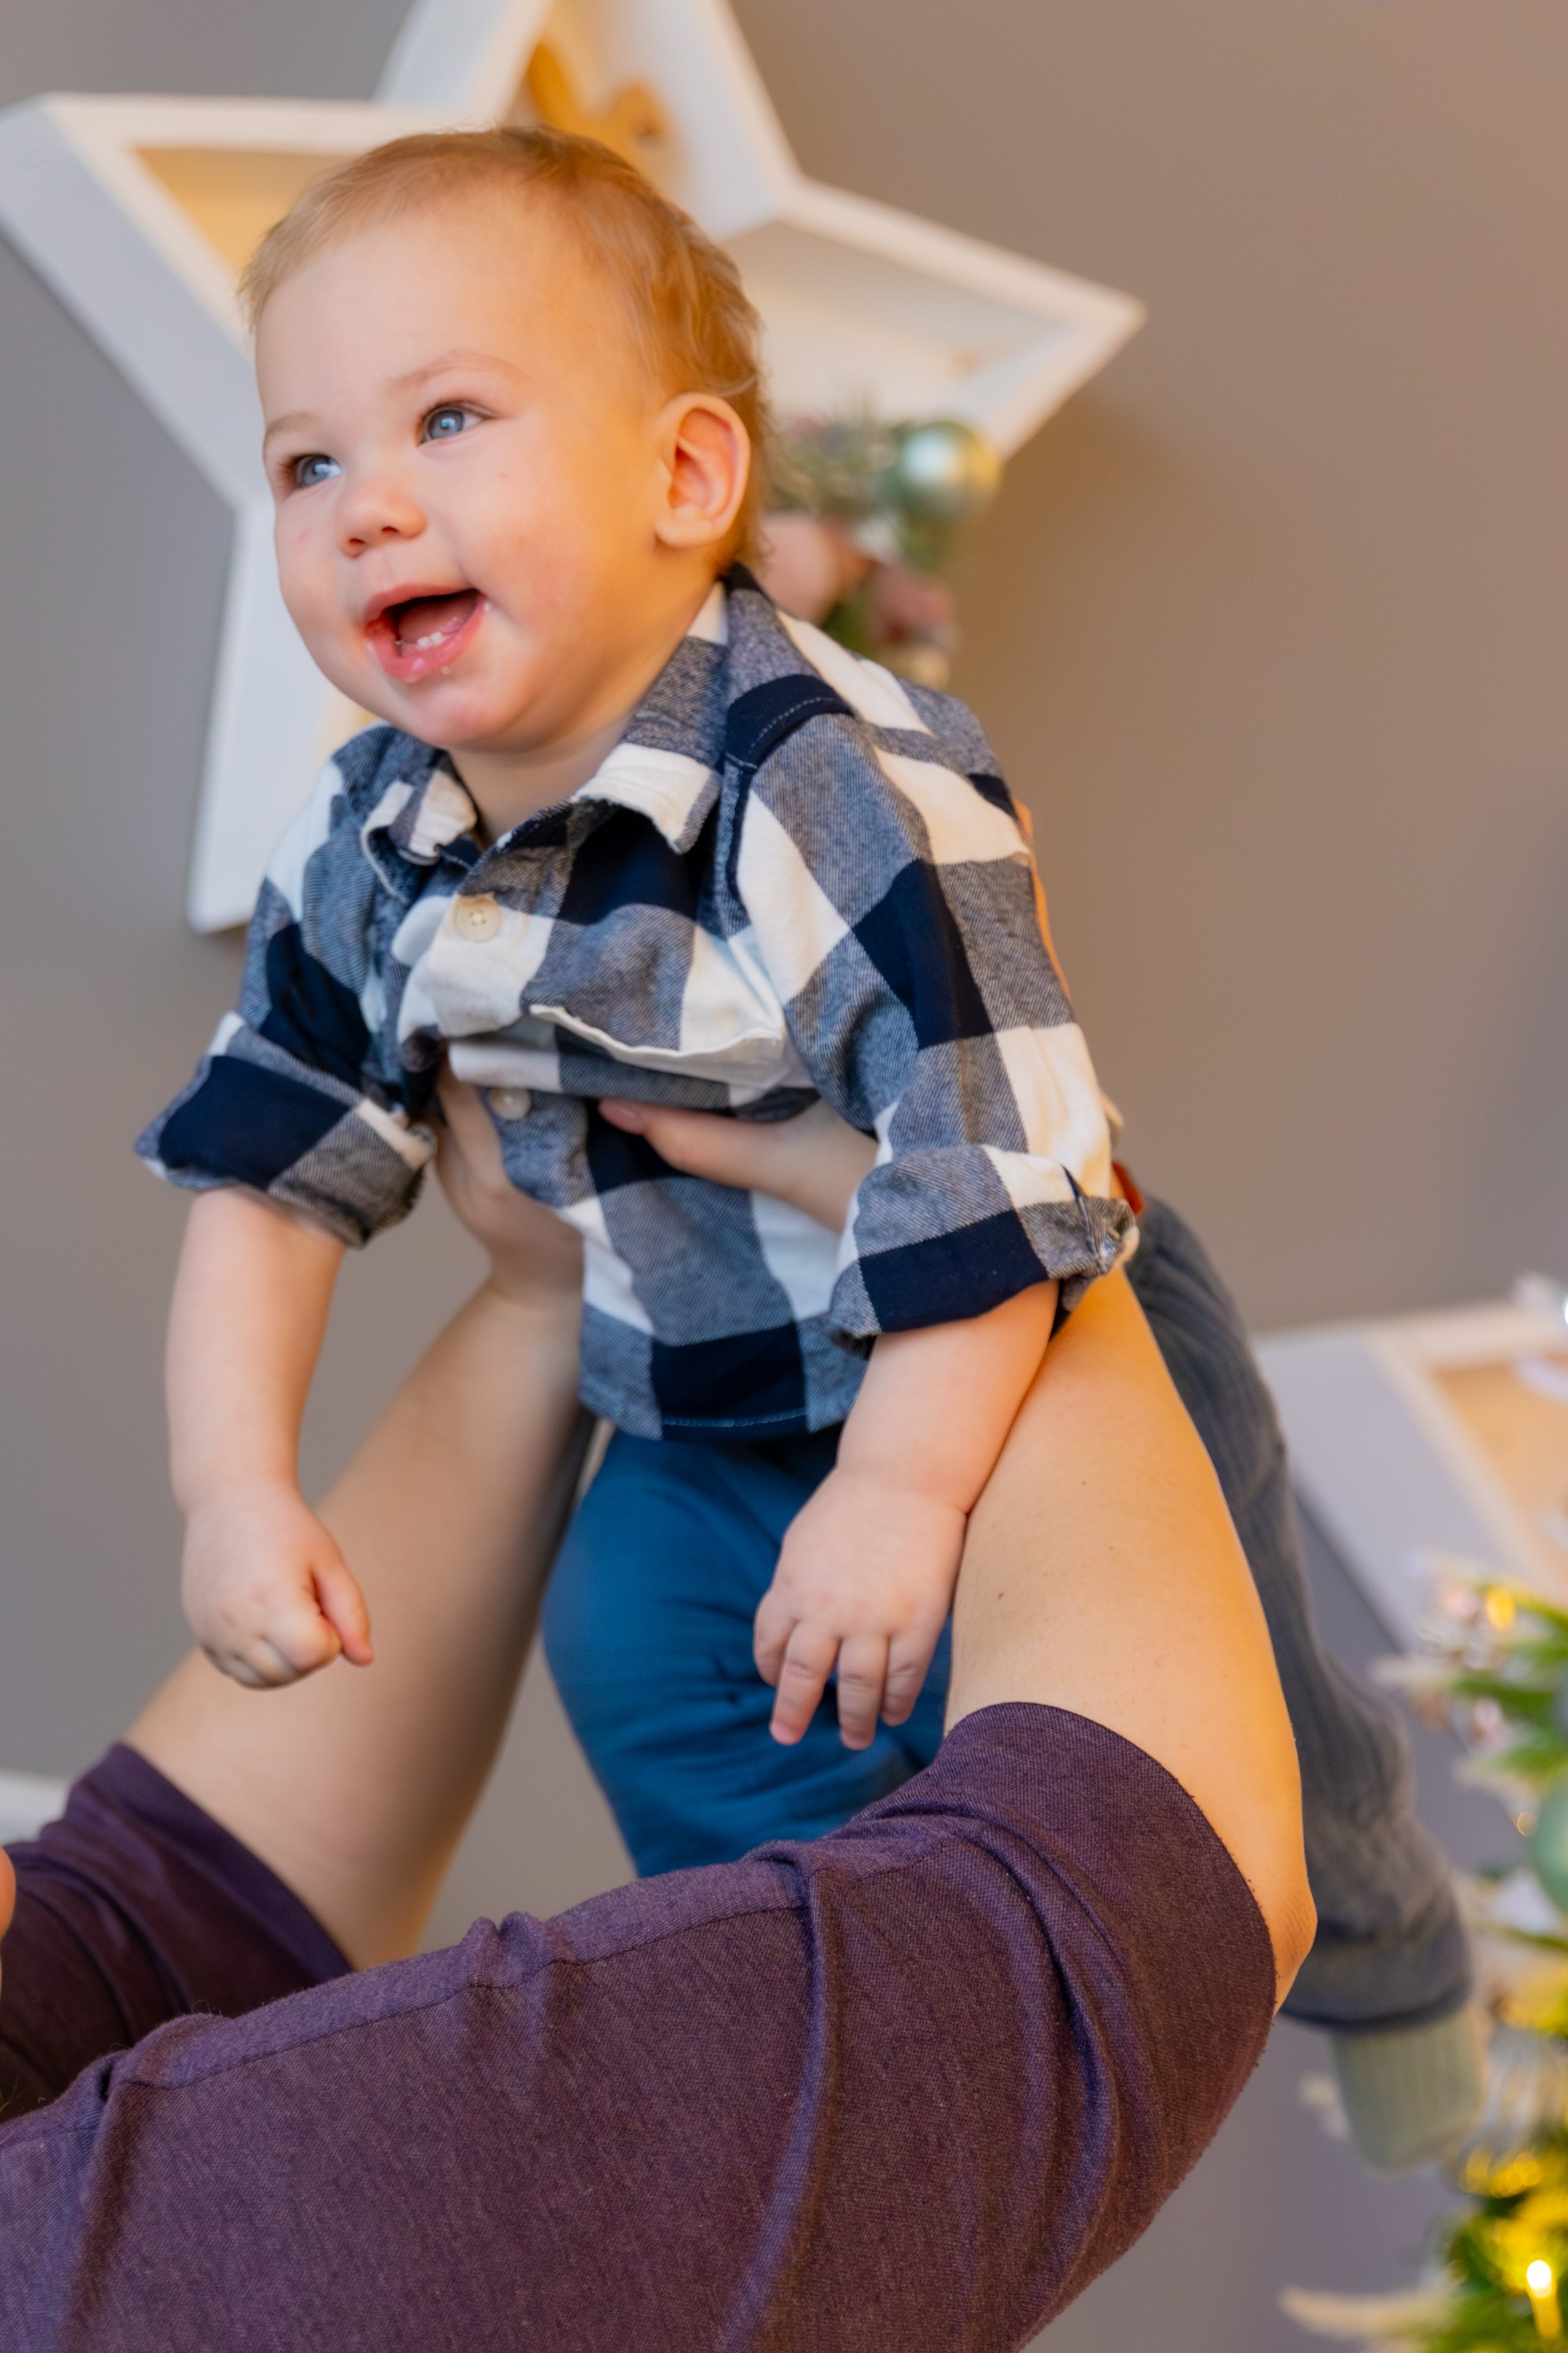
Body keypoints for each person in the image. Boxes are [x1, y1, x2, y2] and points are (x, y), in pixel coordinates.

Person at [136, 124, 1131, 1791]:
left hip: (1008, 1343)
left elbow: (995, 1156)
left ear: (682, 478)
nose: (367, 507)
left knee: (1148, 1711)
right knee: (630, 1635)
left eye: (447, 419)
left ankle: (1362, 1951)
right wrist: (231, 1488)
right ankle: (811, 1997)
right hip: (708, 1388)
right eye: (306, 464)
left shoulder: (821, 779)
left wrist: (898, 1491)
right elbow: (267, 1165)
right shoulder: (375, 831)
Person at [0, 1089, 1314, 2349]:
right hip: (997, 1310)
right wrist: (985, 1204)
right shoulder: (188, 2284)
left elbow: (167, 1910)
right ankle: (1412, 1977)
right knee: (632, 1619)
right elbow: (1149, 1912)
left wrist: (538, 1289)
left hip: (843, 1370)